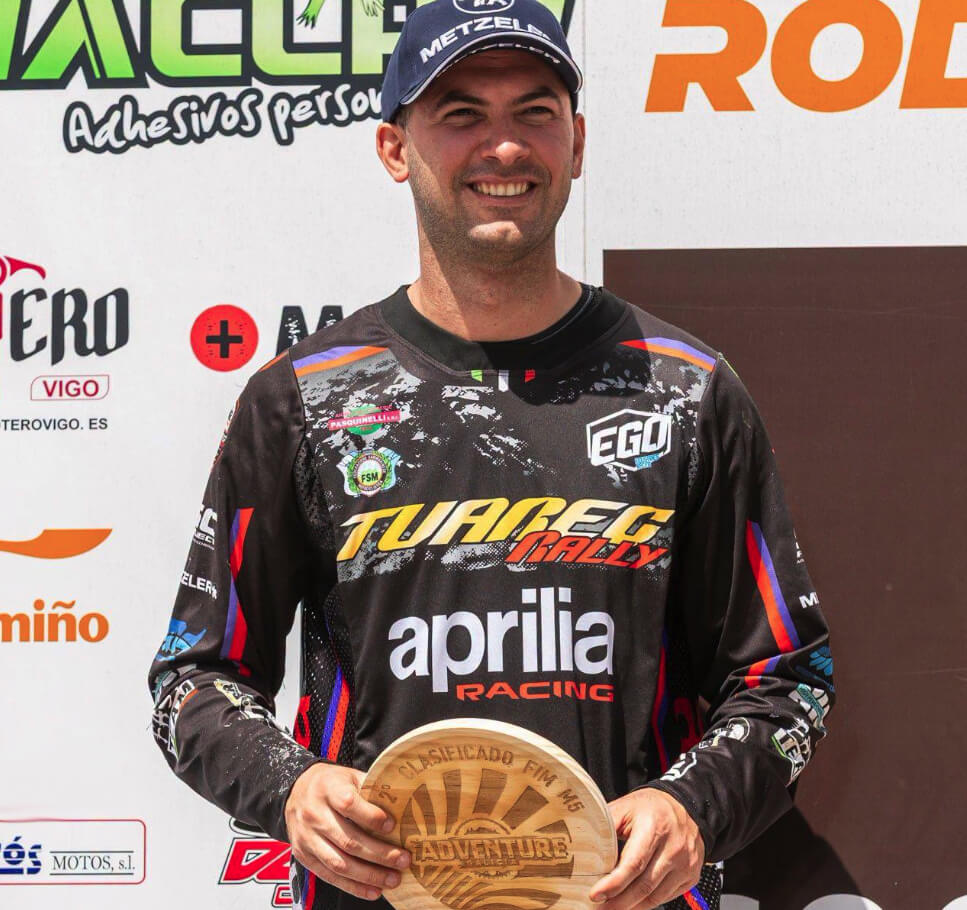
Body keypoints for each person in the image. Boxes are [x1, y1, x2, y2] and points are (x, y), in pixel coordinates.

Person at [148, 2, 834, 908]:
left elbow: (786, 678)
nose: (503, 147)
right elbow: (194, 681)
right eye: (461, 114)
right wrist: (292, 788)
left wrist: (690, 808)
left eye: (534, 113)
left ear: (577, 143)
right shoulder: (303, 400)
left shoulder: (687, 391)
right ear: (394, 148)